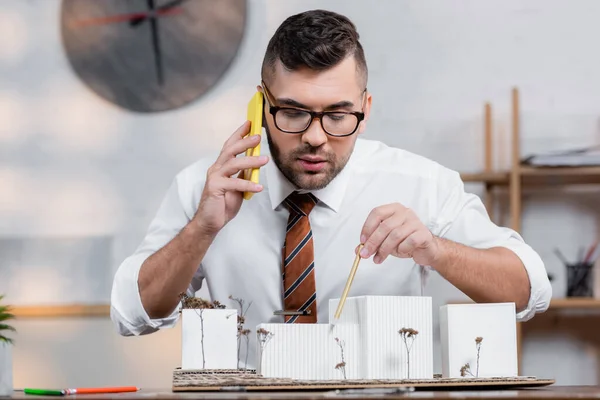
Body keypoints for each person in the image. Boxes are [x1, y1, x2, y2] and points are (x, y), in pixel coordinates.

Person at [110, 9, 551, 368]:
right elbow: (131, 314)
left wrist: (435, 249)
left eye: (339, 115)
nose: (316, 137)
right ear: (261, 105)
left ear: (366, 107)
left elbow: (529, 292)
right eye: (294, 112)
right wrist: (200, 231)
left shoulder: (422, 184)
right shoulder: (205, 188)